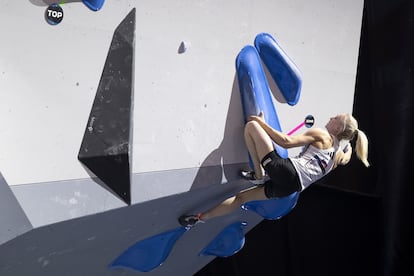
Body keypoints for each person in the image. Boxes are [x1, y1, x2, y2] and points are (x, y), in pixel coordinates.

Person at [179, 112, 370, 227]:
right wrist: (349, 149)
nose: (331, 117)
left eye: (336, 117)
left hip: (287, 171)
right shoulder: (337, 156)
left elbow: (285, 142)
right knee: (241, 198)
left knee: (251, 126)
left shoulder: (322, 134)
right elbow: (346, 158)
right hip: (289, 189)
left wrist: (262, 123)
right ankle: (198, 219)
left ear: (337, 128)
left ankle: (258, 172)